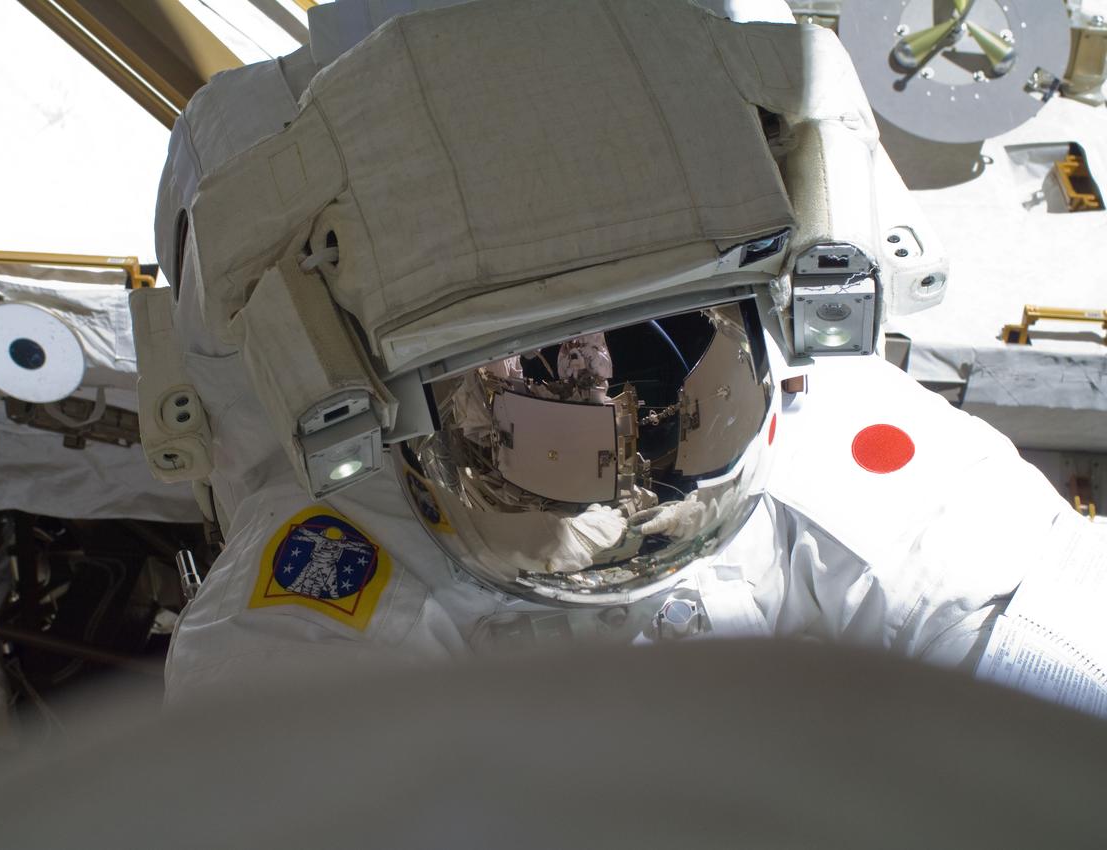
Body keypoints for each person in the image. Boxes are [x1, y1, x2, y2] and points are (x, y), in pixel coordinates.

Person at [139, 0, 1100, 707]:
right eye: (527, 372)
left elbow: (1048, 647)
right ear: (381, 402)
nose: (627, 461)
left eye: (665, 349)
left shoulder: (853, 464)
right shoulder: (328, 580)